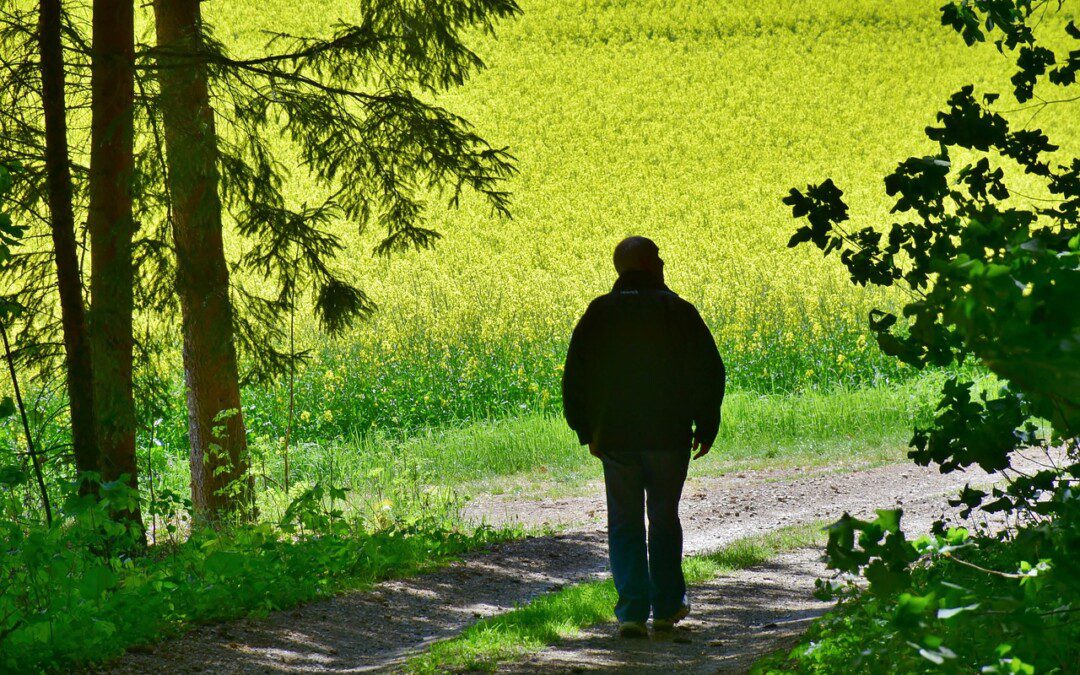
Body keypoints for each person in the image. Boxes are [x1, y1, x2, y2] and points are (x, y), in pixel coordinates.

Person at [562, 236, 726, 638]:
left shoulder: (599, 312)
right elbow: (709, 372)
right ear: (649, 265)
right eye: (657, 255)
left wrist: (586, 431)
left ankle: (632, 612)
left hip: (615, 437)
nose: (663, 260)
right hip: (668, 436)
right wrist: (705, 426)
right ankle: (668, 606)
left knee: (624, 522)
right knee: (663, 518)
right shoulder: (678, 311)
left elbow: (576, 377)